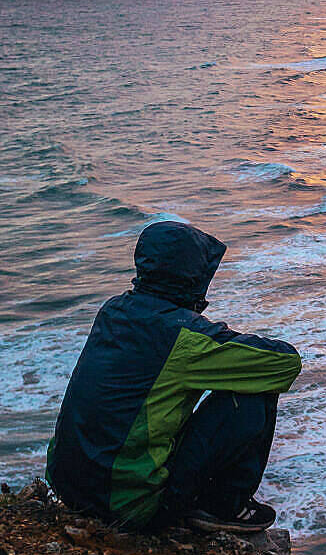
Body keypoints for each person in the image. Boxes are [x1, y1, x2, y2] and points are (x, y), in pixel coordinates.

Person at [47, 221, 301, 534]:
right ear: (193, 277)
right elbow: (285, 363)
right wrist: (214, 334)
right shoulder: (184, 336)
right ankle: (224, 505)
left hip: (68, 486)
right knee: (253, 393)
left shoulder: (112, 310)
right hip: (127, 506)